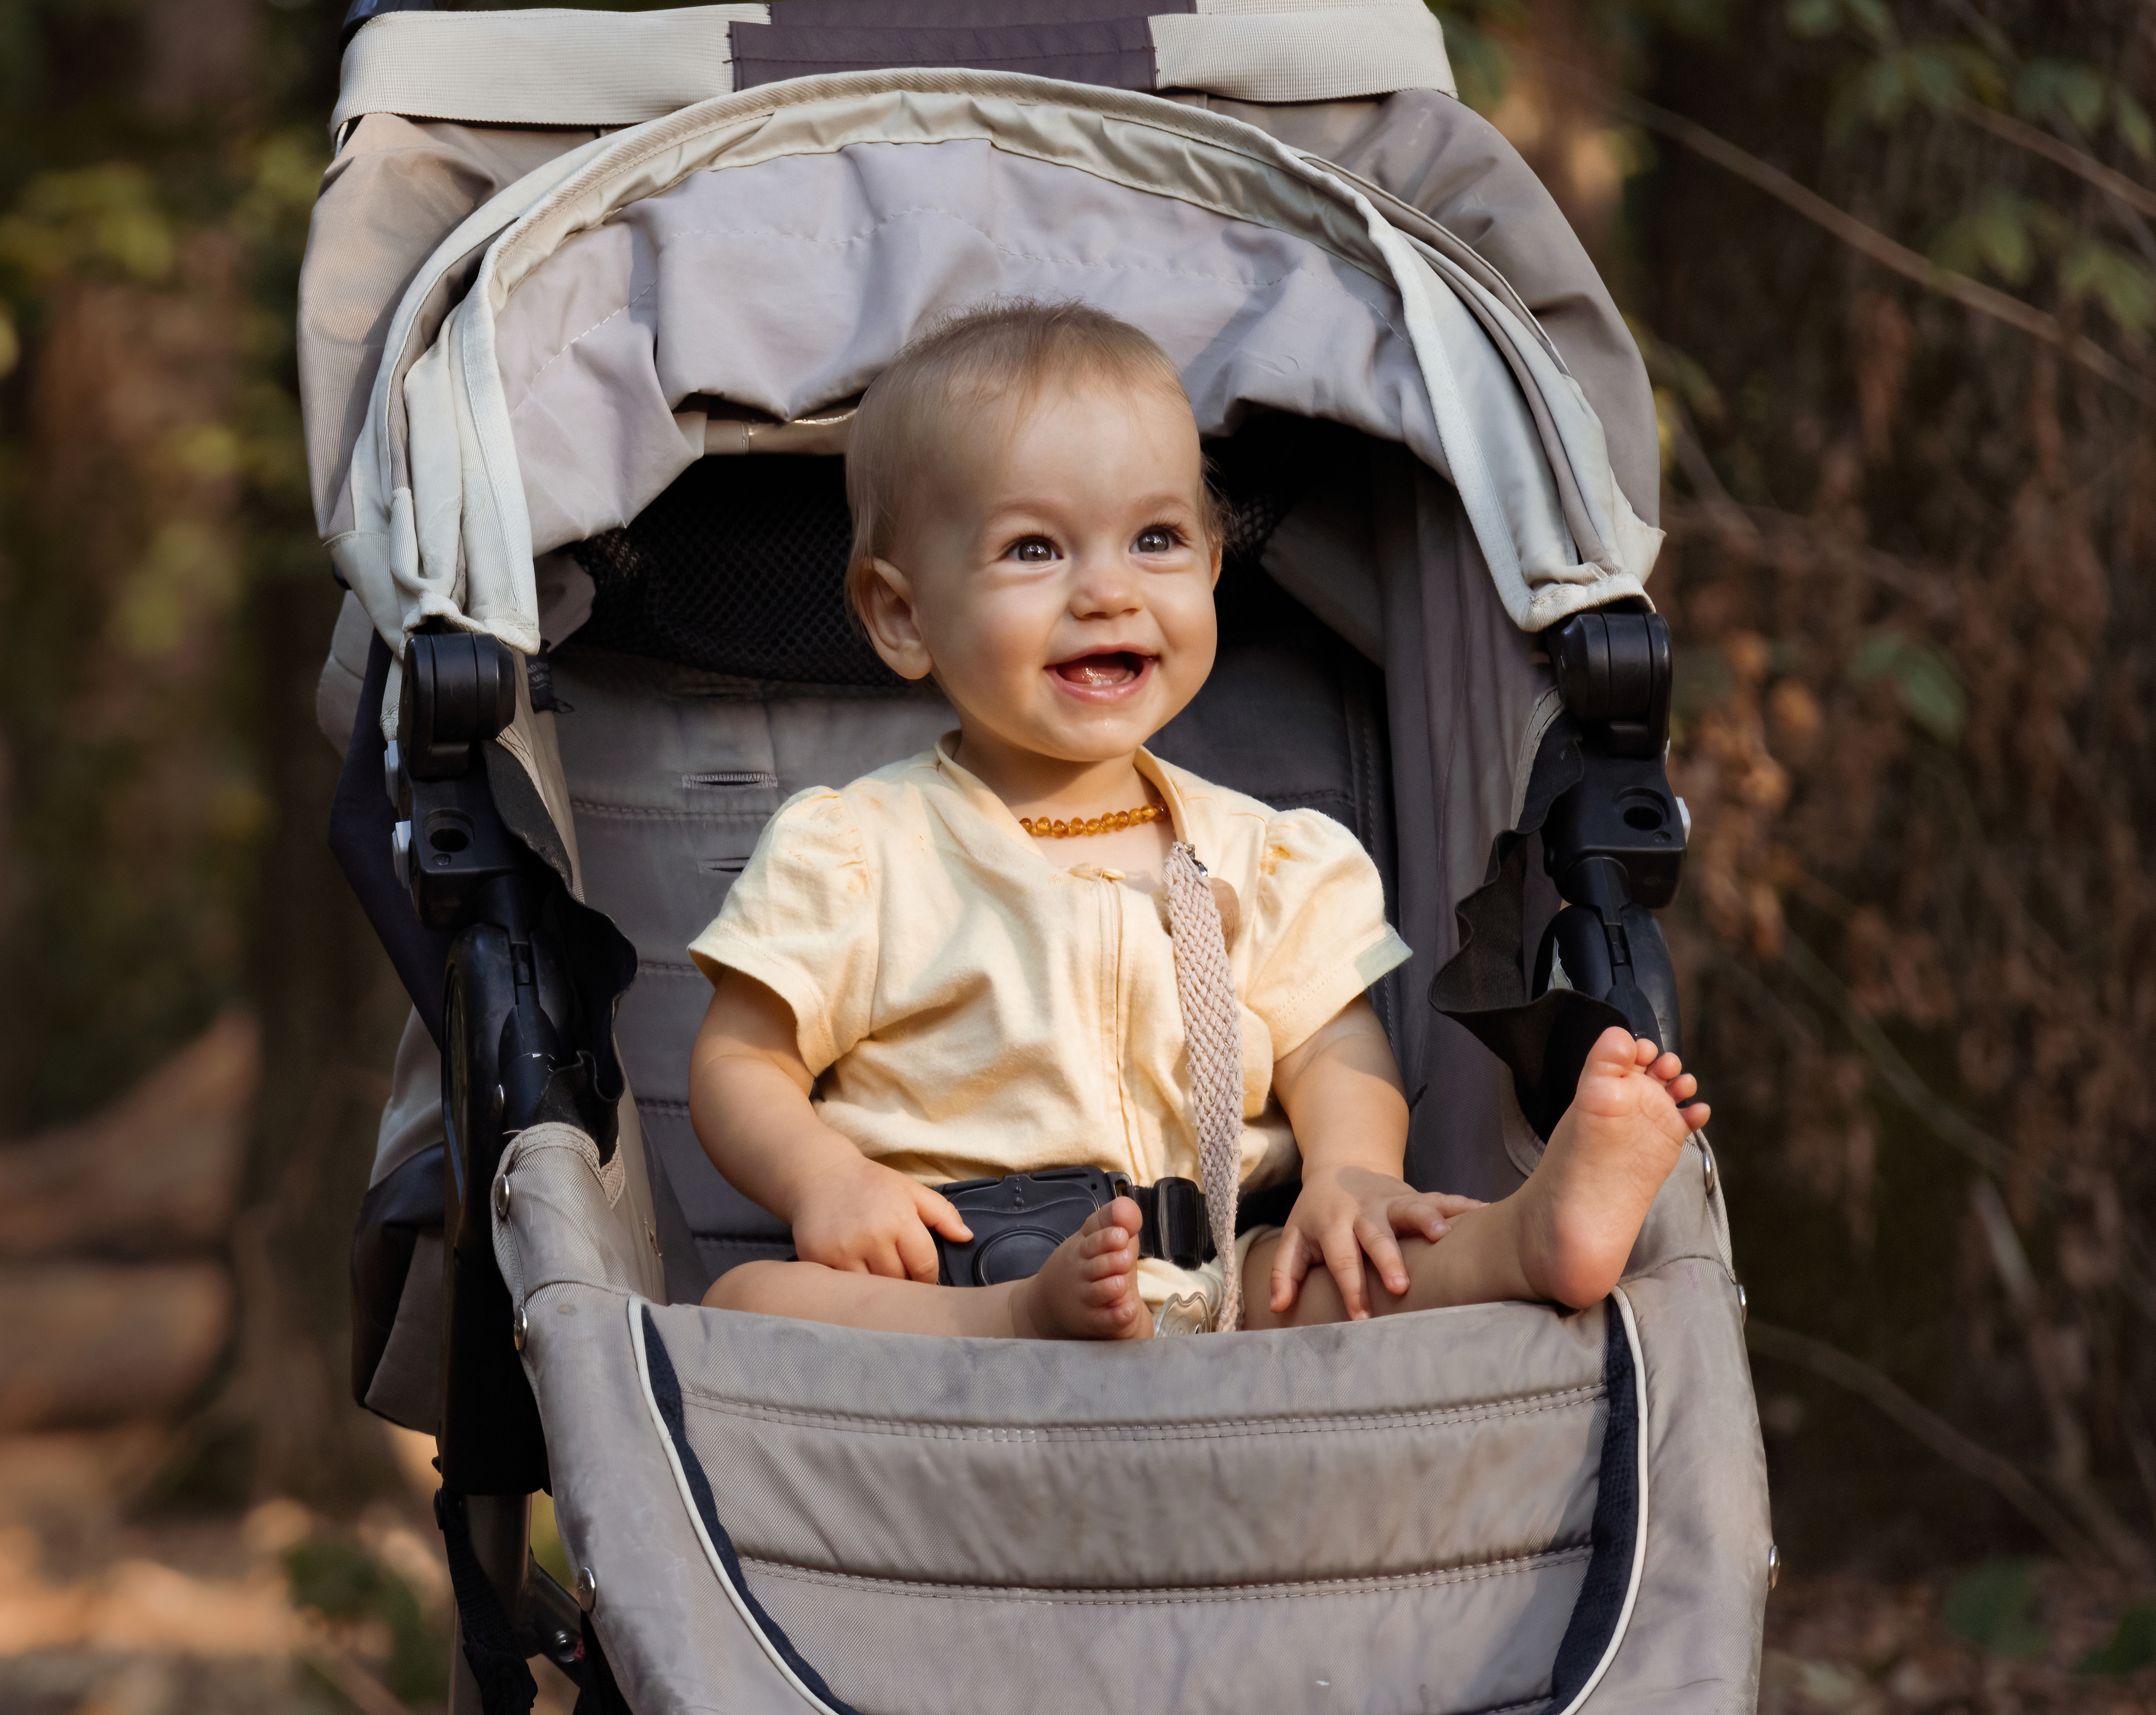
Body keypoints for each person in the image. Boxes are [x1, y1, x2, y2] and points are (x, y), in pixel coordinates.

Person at [685, 300, 1707, 1342]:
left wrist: (1353, 1177)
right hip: (940, 1287)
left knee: (1367, 1267)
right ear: (903, 615)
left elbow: (1336, 1053)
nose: (1109, 590)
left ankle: (1532, 1239)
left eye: (1157, 539)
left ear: (1214, 569)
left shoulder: (1265, 858)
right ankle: (1020, 1321)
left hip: (1216, 1278)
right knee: (746, 1306)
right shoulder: (861, 853)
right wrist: (825, 1178)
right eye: (1035, 550)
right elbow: (741, 1062)